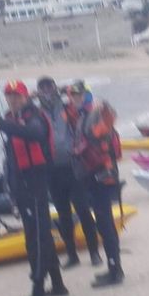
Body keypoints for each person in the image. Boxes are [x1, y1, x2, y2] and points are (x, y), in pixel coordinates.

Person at [0, 80, 68, 296]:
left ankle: (38, 295)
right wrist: (10, 189)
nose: (13, 100)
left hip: (35, 185)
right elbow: (12, 158)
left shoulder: (34, 116)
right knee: (42, 236)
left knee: (36, 239)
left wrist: (0, 123)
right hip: (21, 186)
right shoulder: (13, 119)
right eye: (9, 96)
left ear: (25, 97)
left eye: (17, 96)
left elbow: (35, 133)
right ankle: (58, 284)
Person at [35, 76, 101, 268]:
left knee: (83, 210)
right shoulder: (37, 113)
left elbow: (87, 101)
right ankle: (72, 255)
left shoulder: (68, 108)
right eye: (42, 88)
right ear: (38, 91)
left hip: (73, 167)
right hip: (51, 170)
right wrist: (31, 97)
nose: (47, 91)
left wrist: (67, 90)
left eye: (50, 86)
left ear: (55, 88)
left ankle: (94, 253)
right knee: (63, 214)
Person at [67, 81, 124, 288]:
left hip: (102, 177)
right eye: (73, 95)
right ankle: (114, 268)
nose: (77, 98)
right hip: (93, 177)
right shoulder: (83, 116)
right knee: (104, 224)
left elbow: (109, 120)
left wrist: (104, 106)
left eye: (80, 95)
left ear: (87, 95)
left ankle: (115, 271)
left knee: (105, 225)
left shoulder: (95, 114)